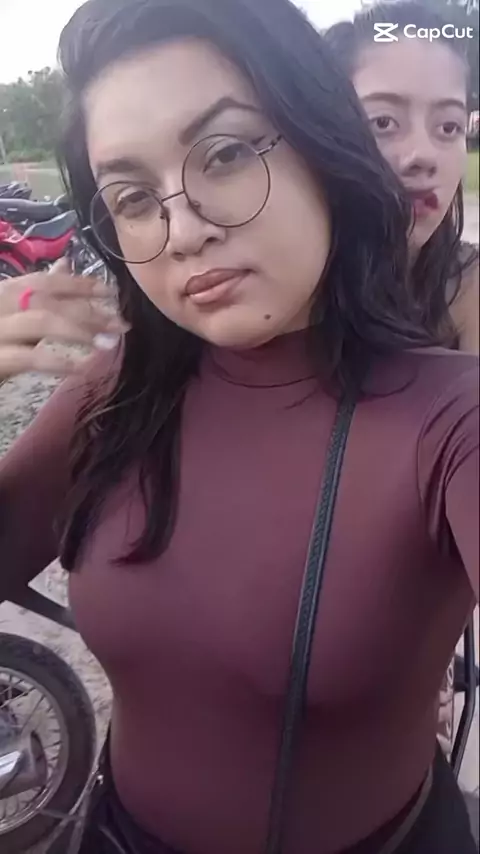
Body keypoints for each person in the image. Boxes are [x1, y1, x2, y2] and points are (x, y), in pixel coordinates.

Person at [0, 0, 478, 852]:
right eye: (133, 197)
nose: (184, 231)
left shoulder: (450, 419)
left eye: (224, 154)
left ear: (323, 144)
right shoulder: (117, 391)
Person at [325, 0, 479, 761]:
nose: (424, 156)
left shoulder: (466, 291)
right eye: (384, 122)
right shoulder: (250, 295)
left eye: (449, 127)